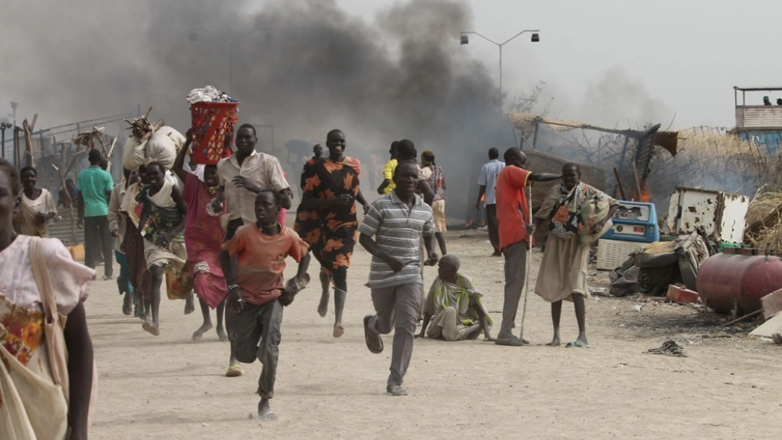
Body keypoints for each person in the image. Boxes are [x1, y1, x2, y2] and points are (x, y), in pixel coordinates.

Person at [0, 158, 95, 440]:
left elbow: (79, 345)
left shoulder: (43, 256)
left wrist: (78, 428)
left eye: (0, 193)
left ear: (16, 204)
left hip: (40, 420)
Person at [222, 190, 311, 420]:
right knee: (244, 354)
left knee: (271, 349)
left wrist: (297, 284)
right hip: (245, 300)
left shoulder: (289, 237)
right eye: (257, 205)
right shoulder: (244, 234)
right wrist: (232, 286)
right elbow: (225, 254)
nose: (260, 209)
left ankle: (265, 399)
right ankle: (256, 350)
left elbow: (305, 255)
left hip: (273, 298)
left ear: (277, 209)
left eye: (266, 205)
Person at [360, 161, 438, 396]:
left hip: (411, 273)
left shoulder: (425, 208)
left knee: (407, 323)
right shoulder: (380, 206)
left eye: (415, 177)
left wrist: (432, 251)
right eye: (405, 176)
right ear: (395, 177)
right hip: (383, 275)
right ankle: (373, 325)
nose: (410, 181)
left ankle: (396, 379)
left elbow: (429, 232)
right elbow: (364, 237)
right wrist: (387, 258)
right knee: (387, 325)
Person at [534, 163, 619, 348]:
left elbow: (613, 204)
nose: (569, 179)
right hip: (557, 240)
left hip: (578, 242)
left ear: (579, 175)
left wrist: (601, 222)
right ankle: (556, 335)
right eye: (566, 176)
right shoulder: (556, 191)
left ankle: (582, 336)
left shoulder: (588, 191)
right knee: (555, 283)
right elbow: (544, 212)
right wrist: (533, 229)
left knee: (576, 285)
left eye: (572, 175)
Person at [295, 129, 368, 337]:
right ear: (328, 143)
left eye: (341, 141)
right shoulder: (316, 168)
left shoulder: (354, 164)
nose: (338, 144)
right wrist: (333, 201)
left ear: (345, 143)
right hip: (319, 224)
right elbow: (307, 200)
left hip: (345, 224)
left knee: (341, 267)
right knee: (327, 264)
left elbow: (354, 186)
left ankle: (338, 321)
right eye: (334, 141)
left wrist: (364, 203)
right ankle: (326, 292)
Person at [494, 147, 562, 347]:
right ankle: (505, 332)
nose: (524, 167)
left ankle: (508, 327)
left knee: (513, 283)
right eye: (522, 162)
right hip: (513, 235)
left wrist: (532, 221)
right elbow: (537, 176)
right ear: (513, 160)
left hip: (515, 233)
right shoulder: (509, 171)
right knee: (515, 284)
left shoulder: (511, 182)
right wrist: (560, 175)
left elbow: (520, 209)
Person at [214, 124, 293, 294]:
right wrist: (218, 200)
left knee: (262, 275)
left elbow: (286, 201)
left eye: (247, 137)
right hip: (235, 225)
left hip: (260, 228)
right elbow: (222, 188)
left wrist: (256, 189)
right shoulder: (223, 165)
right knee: (231, 272)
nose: (243, 140)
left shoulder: (268, 162)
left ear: (255, 140)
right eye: (240, 137)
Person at [173, 133, 229, 343]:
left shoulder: (227, 190)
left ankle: (220, 325)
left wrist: (227, 142)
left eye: (214, 173)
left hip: (222, 246)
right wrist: (187, 142)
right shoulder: (196, 186)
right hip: (200, 246)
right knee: (202, 280)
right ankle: (207, 321)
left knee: (222, 284)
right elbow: (177, 167)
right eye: (207, 172)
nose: (209, 176)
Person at [136, 161, 192, 336]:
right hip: (155, 240)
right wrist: (143, 234)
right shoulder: (144, 194)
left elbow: (187, 214)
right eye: (149, 175)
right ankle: (155, 322)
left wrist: (170, 234)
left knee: (187, 274)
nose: (152, 178)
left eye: (156, 174)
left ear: (163, 174)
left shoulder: (172, 189)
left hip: (176, 237)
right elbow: (144, 217)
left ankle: (188, 296)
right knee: (157, 274)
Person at [417, 254, 493, 341]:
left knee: (450, 326)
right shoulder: (438, 283)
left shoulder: (465, 283)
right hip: (439, 324)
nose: (438, 270)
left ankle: (458, 332)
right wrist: (422, 333)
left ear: (452, 270)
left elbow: (479, 310)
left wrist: (487, 335)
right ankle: (467, 331)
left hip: (460, 323)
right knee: (450, 311)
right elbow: (429, 309)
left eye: (442, 268)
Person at [76, 149, 115, 280]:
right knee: (106, 243)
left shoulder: (82, 175)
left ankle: (90, 273)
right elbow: (110, 195)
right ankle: (108, 272)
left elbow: (79, 196)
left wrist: (79, 215)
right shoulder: (106, 175)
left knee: (90, 243)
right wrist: (112, 213)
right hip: (104, 211)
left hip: (89, 213)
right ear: (99, 160)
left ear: (89, 160)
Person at [120, 165, 151, 321]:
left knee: (148, 272)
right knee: (134, 272)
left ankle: (149, 308)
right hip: (134, 236)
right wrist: (125, 239)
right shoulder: (132, 190)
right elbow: (127, 217)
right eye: (142, 171)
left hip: (151, 236)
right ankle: (139, 301)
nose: (144, 175)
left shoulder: (157, 187)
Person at [109, 167, 139, 316]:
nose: (134, 175)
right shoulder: (117, 190)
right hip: (122, 237)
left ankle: (139, 300)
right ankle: (128, 293)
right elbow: (113, 212)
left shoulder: (145, 189)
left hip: (141, 237)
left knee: (141, 271)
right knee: (126, 271)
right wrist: (114, 228)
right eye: (131, 172)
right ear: (125, 174)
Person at [475, 148, 505, 256]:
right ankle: (504, 247)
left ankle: (497, 249)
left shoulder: (485, 167)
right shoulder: (504, 165)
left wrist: (478, 200)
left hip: (491, 200)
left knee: (493, 225)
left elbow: (483, 186)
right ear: (498, 155)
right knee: (502, 224)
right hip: (503, 200)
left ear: (489, 155)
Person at [14, 166, 57, 237]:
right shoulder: (18, 197)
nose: (29, 179)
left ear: (35, 178)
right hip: (25, 238)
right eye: (26, 177)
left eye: (32, 176)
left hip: (41, 235)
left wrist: (46, 217)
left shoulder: (45, 194)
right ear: (21, 180)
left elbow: (53, 211)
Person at [420, 150, 447, 254]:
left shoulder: (424, 171)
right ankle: (444, 253)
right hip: (440, 200)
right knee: (438, 229)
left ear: (423, 159)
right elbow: (444, 185)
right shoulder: (439, 169)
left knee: (427, 229)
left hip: (429, 201)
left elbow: (421, 186)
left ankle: (430, 254)